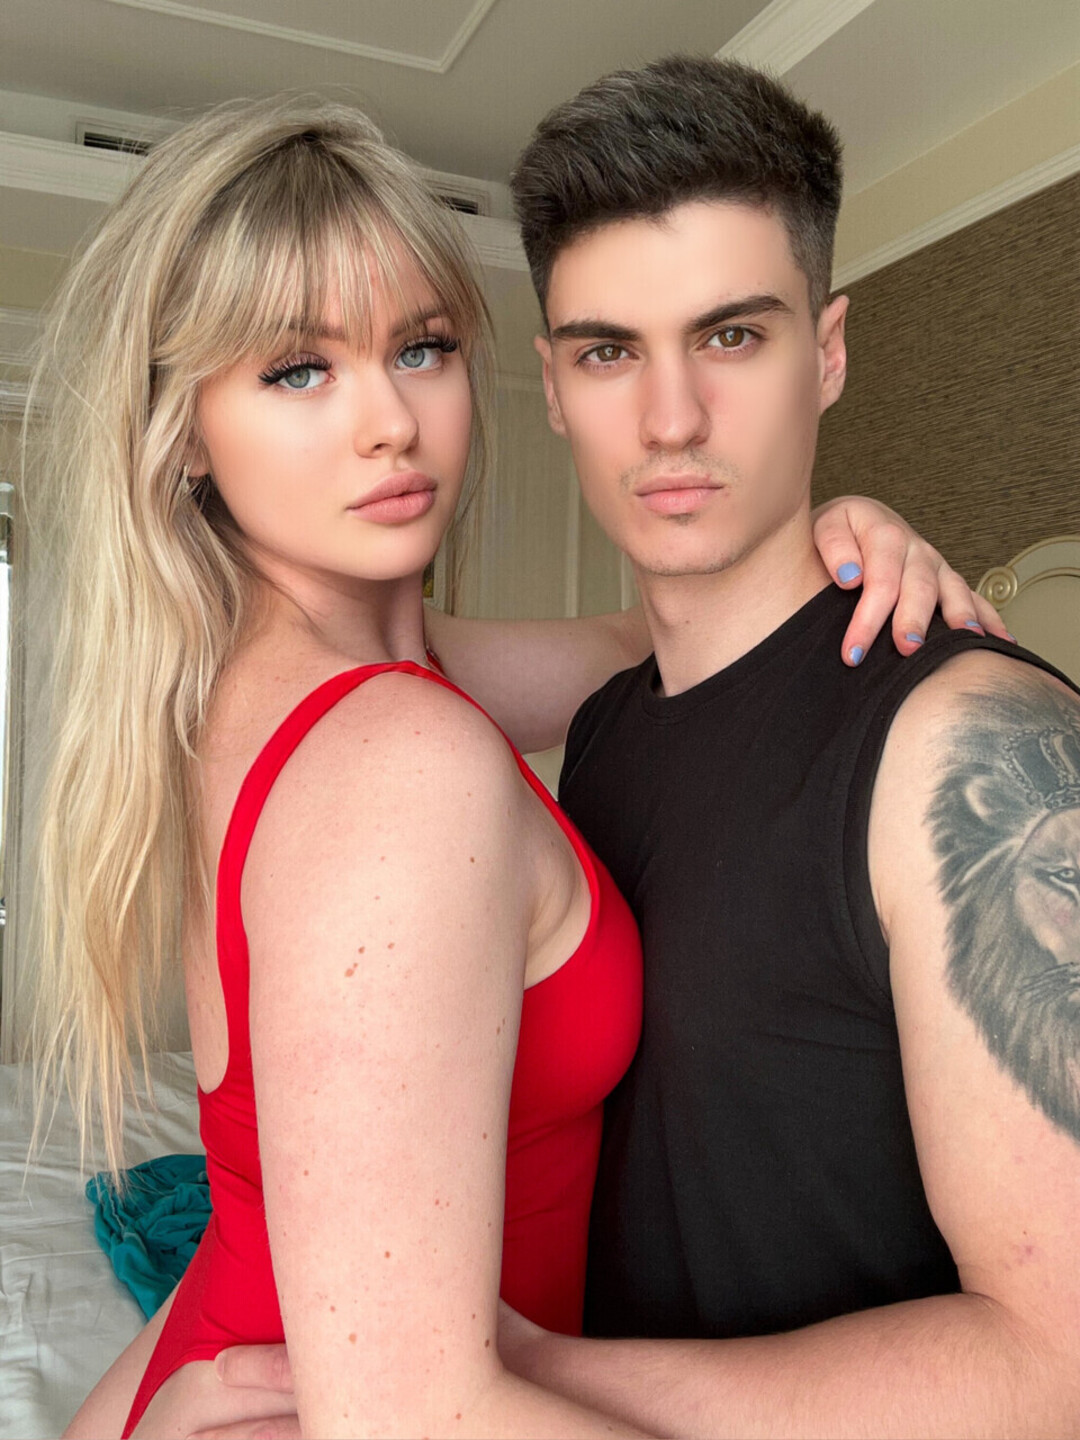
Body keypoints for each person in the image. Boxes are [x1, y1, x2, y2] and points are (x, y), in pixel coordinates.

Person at [27, 92, 978, 1440]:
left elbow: (649, 640)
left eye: (419, 348)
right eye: (297, 370)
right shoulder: (395, 756)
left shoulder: (306, 685)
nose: (389, 424)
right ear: (185, 433)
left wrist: (835, 530)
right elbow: (417, 1418)